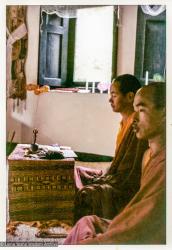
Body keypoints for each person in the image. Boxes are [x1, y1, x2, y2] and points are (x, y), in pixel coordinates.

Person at [64, 82, 166, 244]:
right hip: (132, 222)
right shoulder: (149, 154)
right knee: (86, 222)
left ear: (165, 114)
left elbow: (146, 222)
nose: (135, 117)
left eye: (141, 109)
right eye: (135, 110)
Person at [74, 74, 148, 222]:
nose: (109, 99)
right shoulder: (124, 122)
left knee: (88, 193)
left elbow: (129, 172)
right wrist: (106, 175)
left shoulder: (136, 125)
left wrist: (106, 179)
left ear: (129, 96)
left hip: (124, 184)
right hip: (115, 174)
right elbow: (117, 162)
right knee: (76, 170)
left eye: (114, 95)